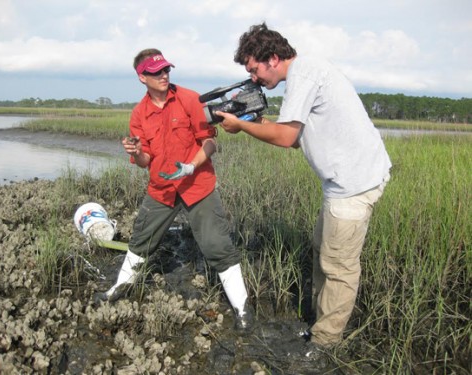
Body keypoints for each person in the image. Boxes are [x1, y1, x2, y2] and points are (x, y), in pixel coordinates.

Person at [216, 23, 392, 364]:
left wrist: (241, 126)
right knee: (321, 251)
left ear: (273, 58)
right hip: (340, 182)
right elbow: (294, 139)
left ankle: (326, 344)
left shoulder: (304, 75)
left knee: (338, 264)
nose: (253, 78)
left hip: (354, 183)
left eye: (253, 69)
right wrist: (252, 121)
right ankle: (318, 325)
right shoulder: (305, 74)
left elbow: (284, 139)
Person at [93, 48, 253, 331]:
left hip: (197, 184)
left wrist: (191, 166)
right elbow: (144, 161)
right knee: (142, 239)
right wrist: (137, 150)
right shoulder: (139, 114)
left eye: (166, 69)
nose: (164, 75)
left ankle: (242, 308)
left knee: (217, 246)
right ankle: (117, 288)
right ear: (142, 77)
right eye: (156, 72)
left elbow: (210, 142)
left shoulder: (190, 99)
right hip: (162, 188)